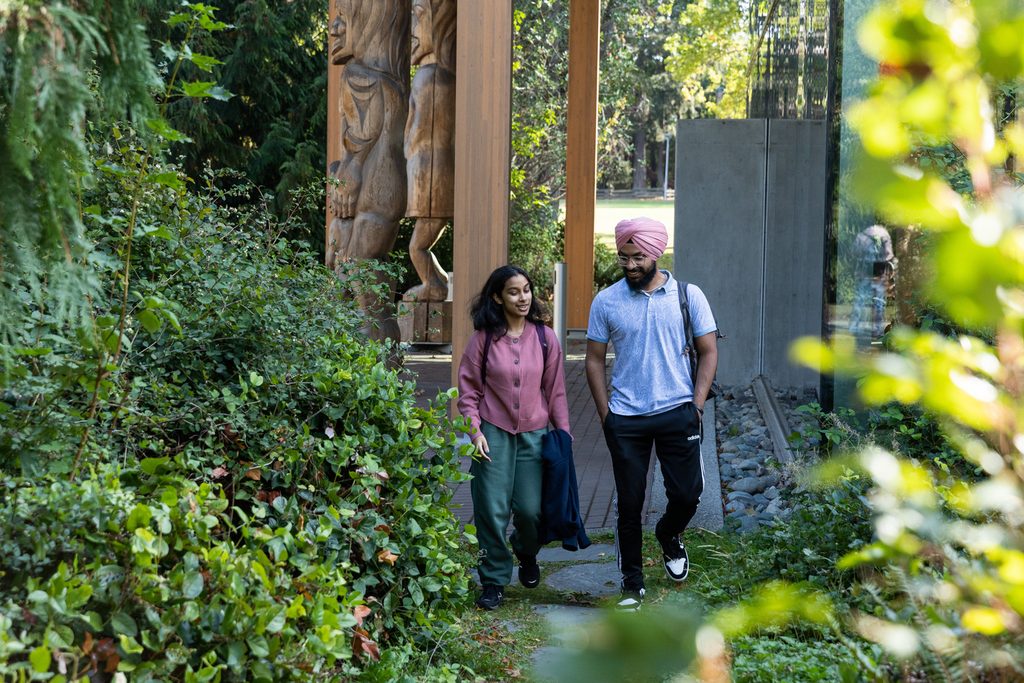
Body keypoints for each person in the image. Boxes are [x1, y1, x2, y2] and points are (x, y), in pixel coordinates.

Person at [585, 217, 719, 611]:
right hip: (625, 419)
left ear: (657, 253)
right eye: (623, 257)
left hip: (678, 410)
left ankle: (668, 533)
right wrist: (605, 414)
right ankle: (631, 583)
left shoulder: (688, 295)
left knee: (688, 494)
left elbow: (709, 351)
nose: (629, 265)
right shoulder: (606, 301)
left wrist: (696, 405)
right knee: (629, 502)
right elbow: (593, 360)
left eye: (638, 257)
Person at [458, 265, 571, 610]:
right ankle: (493, 579)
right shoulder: (483, 340)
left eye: (526, 290)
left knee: (530, 512)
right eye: (513, 292)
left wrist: (563, 435)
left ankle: (526, 551)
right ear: (497, 297)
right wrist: (474, 431)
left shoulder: (545, 338)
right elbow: (468, 392)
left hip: (535, 436)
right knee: (490, 511)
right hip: (492, 434)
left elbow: (556, 392)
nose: (523, 298)